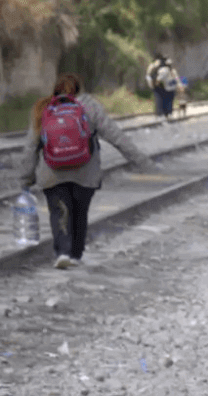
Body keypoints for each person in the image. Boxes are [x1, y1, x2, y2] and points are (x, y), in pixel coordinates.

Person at [18, 73, 154, 269]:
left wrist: (26, 178)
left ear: (55, 89)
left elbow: (30, 147)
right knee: (80, 214)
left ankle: (62, 252)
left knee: (60, 213)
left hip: (52, 173)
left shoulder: (44, 107)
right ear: (79, 88)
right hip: (85, 173)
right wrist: (143, 163)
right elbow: (116, 136)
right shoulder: (89, 105)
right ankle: (75, 254)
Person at [145, 55, 182, 119]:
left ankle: (163, 114)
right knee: (165, 101)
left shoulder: (159, 67)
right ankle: (165, 114)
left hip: (163, 87)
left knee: (163, 100)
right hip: (164, 87)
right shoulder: (166, 69)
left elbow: (152, 76)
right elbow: (159, 79)